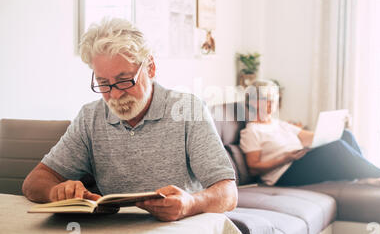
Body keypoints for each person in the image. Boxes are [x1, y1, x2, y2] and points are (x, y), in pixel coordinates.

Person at [22, 18, 237, 221]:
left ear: (150, 67)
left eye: (124, 81)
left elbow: (228, 193)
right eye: (103, 83)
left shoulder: (188, 109)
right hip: (114, 232)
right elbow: (34, 182)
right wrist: (55, 192)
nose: (115, 95)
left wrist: (190, 203)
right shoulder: (90, 117)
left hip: (179, 230)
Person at [239, 80, 380, 189]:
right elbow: (254, 168)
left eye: (274, 100)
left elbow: (312, 137)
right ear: (254, 103)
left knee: (345, 136)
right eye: (266, 101)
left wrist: (337, 128)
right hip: (283, 174)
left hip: (298, 161)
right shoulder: (251, 131)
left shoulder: (280, 125)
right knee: (337, 148)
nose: (272, 105)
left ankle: (367, 176)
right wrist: (285, 158)